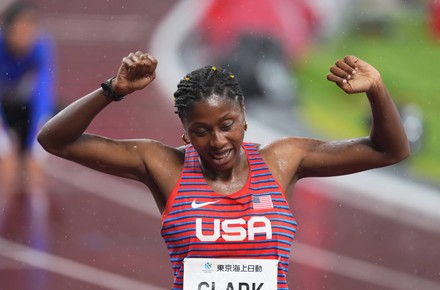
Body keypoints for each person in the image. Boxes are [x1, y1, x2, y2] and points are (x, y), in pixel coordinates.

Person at [37, 51, 409, 289]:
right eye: (201, 131)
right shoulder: (163, 165)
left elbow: (389, 151)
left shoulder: (282, 160)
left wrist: (376, 88)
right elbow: (55, 140)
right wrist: (112, 90)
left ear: (244, 116)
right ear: (184, 131)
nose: (217, 141)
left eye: (226, 124)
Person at [0, 1, 55, 212]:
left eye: (30, 29)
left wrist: (36, 150)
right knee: (6, 169)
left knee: (62, 114)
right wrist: (4, 148)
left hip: (23, 111)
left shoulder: (42, 46)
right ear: (7, 29)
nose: (26, 35)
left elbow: (44, 98)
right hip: (4, 110)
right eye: (20, 29)